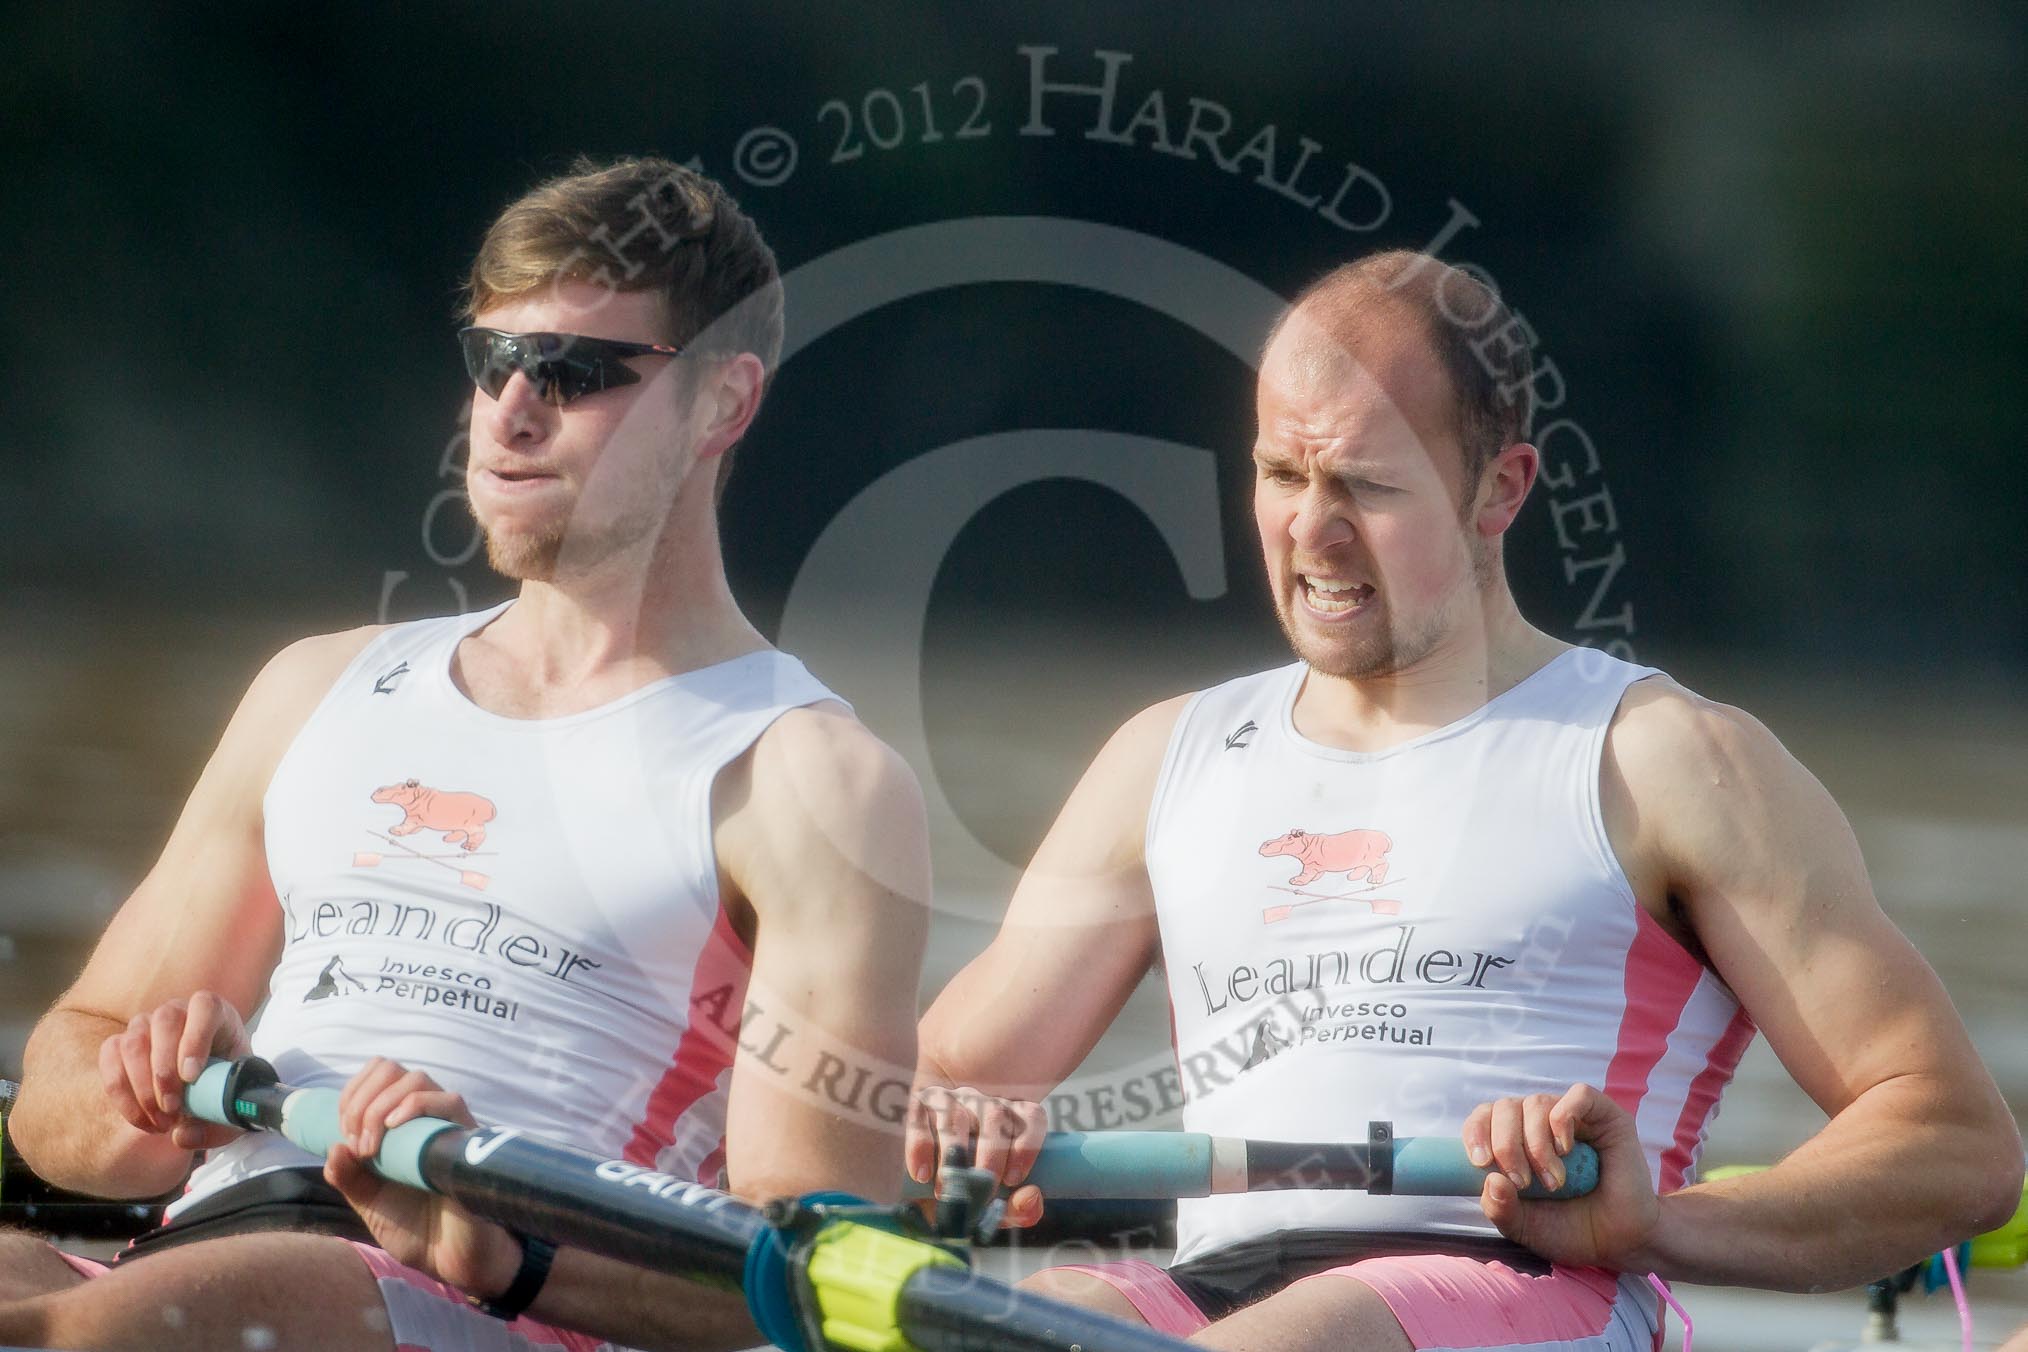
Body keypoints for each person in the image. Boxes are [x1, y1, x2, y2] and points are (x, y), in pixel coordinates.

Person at [907, 250, 2024, 1352]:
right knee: (1031, 1325)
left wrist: (1660, 1223)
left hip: (1534, 1280)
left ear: (1503, 486)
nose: (1313, 532)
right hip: (1225, 1289)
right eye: (1282, 475)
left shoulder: (1667, 760)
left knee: (1315, 1328)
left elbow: (1954, 1140)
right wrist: (958, 1121)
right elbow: (945, 1076)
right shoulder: (1166, 758)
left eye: (1367, 484)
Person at [1, 155, 930, 1352]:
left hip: (489, 1302)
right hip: (195, 1247)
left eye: (576, 372)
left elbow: (810, 1267)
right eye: (494, 359)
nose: (513, 407)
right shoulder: (319, 686)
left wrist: (500, 1245)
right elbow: (63, 1087)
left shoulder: (811, 781)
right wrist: (138, 1087)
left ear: (723, 402)